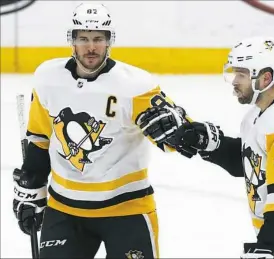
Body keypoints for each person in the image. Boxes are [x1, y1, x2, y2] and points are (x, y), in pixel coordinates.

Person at [137, 36, 274, 258]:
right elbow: (251, 164)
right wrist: (210, 144)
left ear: (266, 78)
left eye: (242, 74)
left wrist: (268, 244)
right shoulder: (260, 113)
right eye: (234, 73)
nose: (235, 80)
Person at [12, 3, 191, 258]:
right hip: (64, 210)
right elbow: (40, 137)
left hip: (126, 211)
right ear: (72, 41)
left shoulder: (135, 85)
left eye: (98, 38)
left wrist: (182, 134)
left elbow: (179, 135)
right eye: (83, 39)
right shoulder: (47, 78)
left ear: (109, 42)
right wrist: (31, 185)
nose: (91, 47)